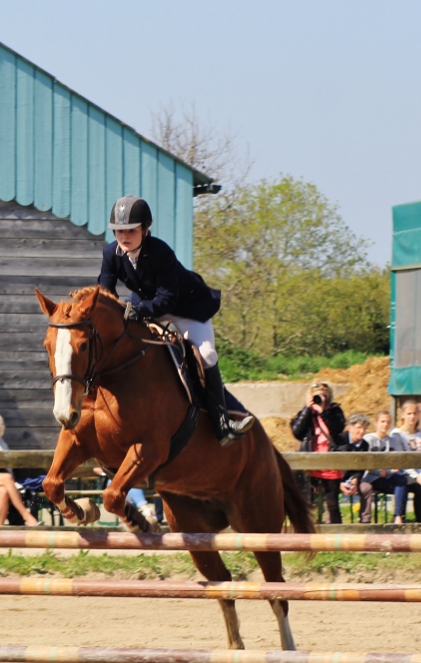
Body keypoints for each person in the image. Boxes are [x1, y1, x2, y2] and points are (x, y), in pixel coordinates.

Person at [97, 195, 254, 445]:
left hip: (185, 307)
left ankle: (222, 421)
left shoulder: (160, 252)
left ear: (145, 229)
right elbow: (105, 293)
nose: (124, 237)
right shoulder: (111, 254)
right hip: (147, 303)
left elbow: (167, 300)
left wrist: (139, 311)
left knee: (207, 355)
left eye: (131, 230)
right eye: (119, 231)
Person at [290, 382, 346, 524]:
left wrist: (323, 411)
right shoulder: (307, 412)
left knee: (332, 504)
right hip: (310, 463)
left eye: (324, 395)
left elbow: (336, 429)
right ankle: (305, 533)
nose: (320, 399)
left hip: (330, 463)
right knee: (306, 502)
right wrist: (308, 409)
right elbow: (297, 432)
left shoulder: (335, 411)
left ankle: (336, 536)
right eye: (317, 395)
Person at [363, 410, 412, 523]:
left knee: (402, 480)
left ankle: (398, 516)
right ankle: (399, 517)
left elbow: (397, 459)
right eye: (382, 421)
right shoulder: (369, 439)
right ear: (376, 423)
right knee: (400, 484)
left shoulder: (392, 441)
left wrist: (394, 468)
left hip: (388, 475)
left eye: (388, 422)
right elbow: (365, 463)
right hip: (372, 477)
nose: (385, 424)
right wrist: (379, 472)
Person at [336, 414, 375, 524]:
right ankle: (332, 524)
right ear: (350, 427)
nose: (362, 431)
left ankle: (365, 523)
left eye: (365, 428)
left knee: (366, 488)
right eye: (359, 427)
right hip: (335, 479)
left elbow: (361, 468)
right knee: (331, 490)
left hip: (351, 480)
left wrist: (355, 480)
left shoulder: (365, 445)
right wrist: (339, 482)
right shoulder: (339, 439)